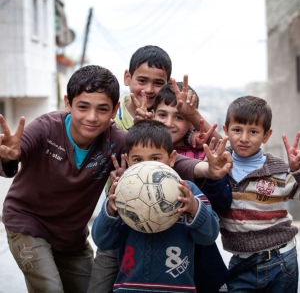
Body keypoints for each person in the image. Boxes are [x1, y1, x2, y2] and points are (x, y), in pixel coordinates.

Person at [0, 65, 232, 292]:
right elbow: (15, 153)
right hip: (27, 223)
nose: (92, 117)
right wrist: (10, 157)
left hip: (70, 236)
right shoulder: (45, 127)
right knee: (50, 287)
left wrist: (207, 170)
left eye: (102, 109)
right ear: (68, 103)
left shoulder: (117, 140)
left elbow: (160, 162)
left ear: (114, 110)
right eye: (83, 107)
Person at [91, 119, 230, 293]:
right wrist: (110, 211)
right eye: (138, 160)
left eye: (155, 158)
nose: (147, 166)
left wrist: (195, 208)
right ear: (127, 160)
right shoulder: (122, 193)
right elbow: (102, 240)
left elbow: (209, 236)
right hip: (128, 289)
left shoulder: (187, 190)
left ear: (172, 159)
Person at [204, 95, 300, 292]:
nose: (244, 138)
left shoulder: (277, 170)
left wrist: (296, 171)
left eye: (254, 131)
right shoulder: (218, 167)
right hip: (241, 264)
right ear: (226, 131)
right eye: (237, 130)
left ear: (266, 135)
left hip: (281, 259)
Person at [152, 82, 230, 292]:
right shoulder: (143, 154)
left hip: (201, 260)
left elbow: (222, 203)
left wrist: (213, 176)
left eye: (179, 117)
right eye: (162, 115)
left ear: (191, 123)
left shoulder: (204, 152)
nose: (169, 123)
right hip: (155, 259)